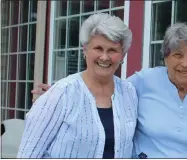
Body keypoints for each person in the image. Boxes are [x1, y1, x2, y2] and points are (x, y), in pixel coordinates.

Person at [31, 23, 187, 158]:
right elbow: (106, 91)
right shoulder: (144, 81)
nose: (185, 63)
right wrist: (64, 94)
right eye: (177, 55)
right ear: (165, 57)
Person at [17, 13, 137, 158]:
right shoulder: (62, 93)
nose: (105, 57)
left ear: (122, 55)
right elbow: (28, 154)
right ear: (85, 50)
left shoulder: (129, 93)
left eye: (112, 50)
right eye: (98, 48)